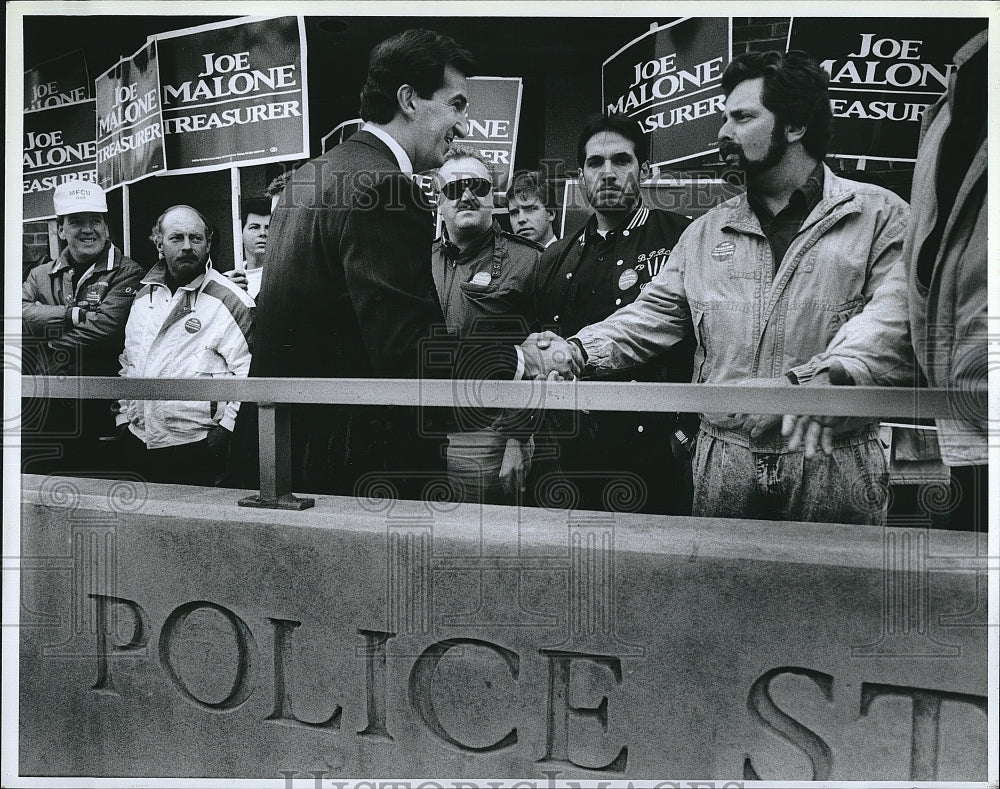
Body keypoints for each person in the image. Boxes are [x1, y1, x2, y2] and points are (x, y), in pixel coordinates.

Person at [533, 51, 913, 525]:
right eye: (723, 116)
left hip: (831, 459)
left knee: (833, 596)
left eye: (743, 117)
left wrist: (813, 384)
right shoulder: (706, 232)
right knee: (716, 597)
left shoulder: (878, 217)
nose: (723, 132)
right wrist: (573, 351)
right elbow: (649, 317)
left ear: (795, 125)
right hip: (724, 463)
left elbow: (900, 329)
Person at [246, 29, 561, 500]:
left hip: (288, 459)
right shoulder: (387, 188)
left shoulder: (309, 176)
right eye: (457, 105)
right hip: (358, 470)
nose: (465, 125)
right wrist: (520, 358)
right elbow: (409, 352)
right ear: (409, 99)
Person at [533, 114, 693, 514]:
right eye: (595, 163)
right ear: (581, 175)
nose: (607, 173)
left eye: (621, 161)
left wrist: (684, 435)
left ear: (645, 169)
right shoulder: (555, 257)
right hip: (574, 458)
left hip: (657, 455)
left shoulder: (683, 237)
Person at [431, 145, 542, 502]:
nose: (465, 195)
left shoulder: (530, 261)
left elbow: (544, 356)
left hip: (491, 440)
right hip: (421, 435)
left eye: (477, 186)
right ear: (439, 201)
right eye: (453, 188)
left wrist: (517, 437)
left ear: (492, 197)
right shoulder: (415, 261)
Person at [114, 205, 254, 486]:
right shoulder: (142, 298)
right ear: (159, 245)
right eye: (177, 238)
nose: (187, 246)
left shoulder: (232, 301)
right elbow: (129, 362)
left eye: (196, 238)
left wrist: (224, 432)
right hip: (140, 440)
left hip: (197, 445)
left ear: (209, 243)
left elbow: (250, 376)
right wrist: (122, 419)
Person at [21, 180, 143, 474]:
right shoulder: (39, 275)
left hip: (98, 410)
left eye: (95, 221)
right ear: (61, 229)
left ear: (107, 227)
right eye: (76, 222)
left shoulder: (127, 272)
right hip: (43, 410)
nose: (88, 229)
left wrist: (43, 337)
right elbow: (15, 316)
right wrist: (72, 315)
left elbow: (107, 328)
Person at [224, 199, 271, 299]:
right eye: (255, 227)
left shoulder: (284, 277)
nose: (263, 233)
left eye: (268, 227)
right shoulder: (227, 279)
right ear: (241, 234)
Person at [506, 170, 557, 248]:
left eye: (530, 209)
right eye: (514, 213)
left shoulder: (570, 257)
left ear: (551, 213)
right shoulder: (506, 258)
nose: (521, 219)